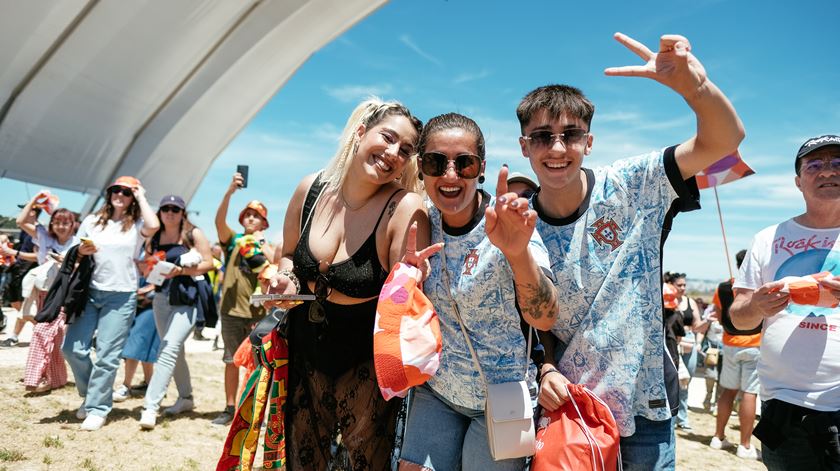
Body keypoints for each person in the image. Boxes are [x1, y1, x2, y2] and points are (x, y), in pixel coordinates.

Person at [519, 32, 744, 469]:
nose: (558, 148)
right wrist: (545, 368)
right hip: (570, 405)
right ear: (525, 145)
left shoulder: (634, 184)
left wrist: (696, 91)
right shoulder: (518, 223)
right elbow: (529, 310)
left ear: (590, 141)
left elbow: (724, 141)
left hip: (645, 405)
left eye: (571, 134)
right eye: (543, 136)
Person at [261, 98, 426, 470]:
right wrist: (285, 279)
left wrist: (413, 275)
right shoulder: (311, 188)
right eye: (387, 137)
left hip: (365, 363)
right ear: (360, 132)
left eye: (406, 150)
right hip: (304, 351)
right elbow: (288, 254)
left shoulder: (404, 206)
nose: (393, 153)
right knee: (303, 460)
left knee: (365, 463)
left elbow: (405, 291)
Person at [397, 113, 559, 470]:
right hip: (436, 392)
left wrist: (517, 253)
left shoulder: (509, 222)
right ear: (421, 169)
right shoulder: (420, 223)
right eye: (436, 162)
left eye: (464, 164)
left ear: (480, 169)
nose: (450, 175)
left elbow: (545, 316)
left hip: (502, 401)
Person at [730, 134, 840, 470]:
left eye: (837, 163)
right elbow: (739, 318)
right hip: (784, 406)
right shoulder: (769, 239)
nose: (827, 172)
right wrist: (758, 306)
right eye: (814, 165)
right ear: (798, 180)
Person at [63, 176, 160, 431]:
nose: (120, 195)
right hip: (90, 291)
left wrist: (141, 196)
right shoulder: (92, 221)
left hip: (122, 295)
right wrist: (81, 252)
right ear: (109, 193)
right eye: (116, 190)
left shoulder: (138, 223)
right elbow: (74, 248)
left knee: (107, 355)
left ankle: (97, 408)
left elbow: (154, 224)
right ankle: (94, 395)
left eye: (126, 192)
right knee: (72, 349)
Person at [136, 195, 213, 429]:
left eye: (175, 209)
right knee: (174, 350)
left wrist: (180, 271)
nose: (170, 212)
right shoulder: (154, 237)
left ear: (182, 213)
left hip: (187, 299)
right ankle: (186, 398)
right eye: (165, 208)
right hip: (160, 298)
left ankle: (150, 407)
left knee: (168, 347)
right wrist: (147, 273)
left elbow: (210, 263)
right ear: (159, 212)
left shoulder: (193, 234)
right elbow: (150, 268)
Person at [212, 178, 276, 426]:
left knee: (258, 364)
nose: (250, 219)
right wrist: (229, 192)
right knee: (230, 360)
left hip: (258, 313)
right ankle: (229, 408)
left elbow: (275, 262)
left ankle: (252, 410)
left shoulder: (264, 245)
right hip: (231, 311)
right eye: (247, 215)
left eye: (256, 216)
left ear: (264, 223)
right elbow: (219, 222)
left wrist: (260, 243)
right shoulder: (233, 241)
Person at [16, 194, 79, 393]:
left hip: (63, 292)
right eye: (57, 222)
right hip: (43, 292)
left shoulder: (77, 242)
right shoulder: (44, 236)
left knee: (42, 332)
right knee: (52, 336)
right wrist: (35, 200)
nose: (61, 226)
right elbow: (21, 221)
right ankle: (56, 378)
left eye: (65, 222)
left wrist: (66, 263)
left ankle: (35, 377)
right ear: (51, 223)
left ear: (72, 225)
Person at [709, 249, 761, 459]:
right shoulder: (759, 287)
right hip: (755, 344)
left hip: (730, 344)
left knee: (728, 391)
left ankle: (718, 437)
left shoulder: (723, 286)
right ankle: (745, 445)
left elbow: (720, 315)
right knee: (750, 392)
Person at [0, 205, 40, 347]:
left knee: (25, 308)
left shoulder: (38, 231)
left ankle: (15, 336)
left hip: (29, 272)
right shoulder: (25, 231)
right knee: (17, 305)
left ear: (33, 212)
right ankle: (40, 329)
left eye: (25, 209)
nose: (21, 212)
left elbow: (38, 256)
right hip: (18, 270)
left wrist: (13, 253)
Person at [671, 272, 706, 431]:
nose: (683, 288)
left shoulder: (691, 302)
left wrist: (698, 342)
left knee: (686, 381)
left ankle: (682, 418)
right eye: (680, 285)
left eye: (684, 285)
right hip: (673, 342)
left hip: (690, 342)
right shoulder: (667, 302)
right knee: (673, 381)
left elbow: (698, 325)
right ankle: (672, 417)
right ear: (672, 286)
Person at [114, 282, 159, 402]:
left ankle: (126, 385)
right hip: (131, 296)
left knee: (137, 340)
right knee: (144, 342)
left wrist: (149, 289)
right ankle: (149, 383)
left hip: (149, 299)